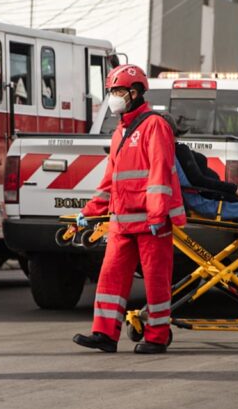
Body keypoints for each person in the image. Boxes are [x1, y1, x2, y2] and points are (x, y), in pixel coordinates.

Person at [72, 64, 185, 354]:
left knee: (156, 281)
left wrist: (158, 215)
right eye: (111, 92)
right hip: (122, 222)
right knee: (110, 277)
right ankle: (105, 335)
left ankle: (157, 337)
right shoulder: (120, 132)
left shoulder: (154, 125)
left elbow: (161, 172)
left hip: (150, 221)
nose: (113, 97)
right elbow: (110, 181)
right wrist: (89, 211)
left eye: (118, 91)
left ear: (134, 93)